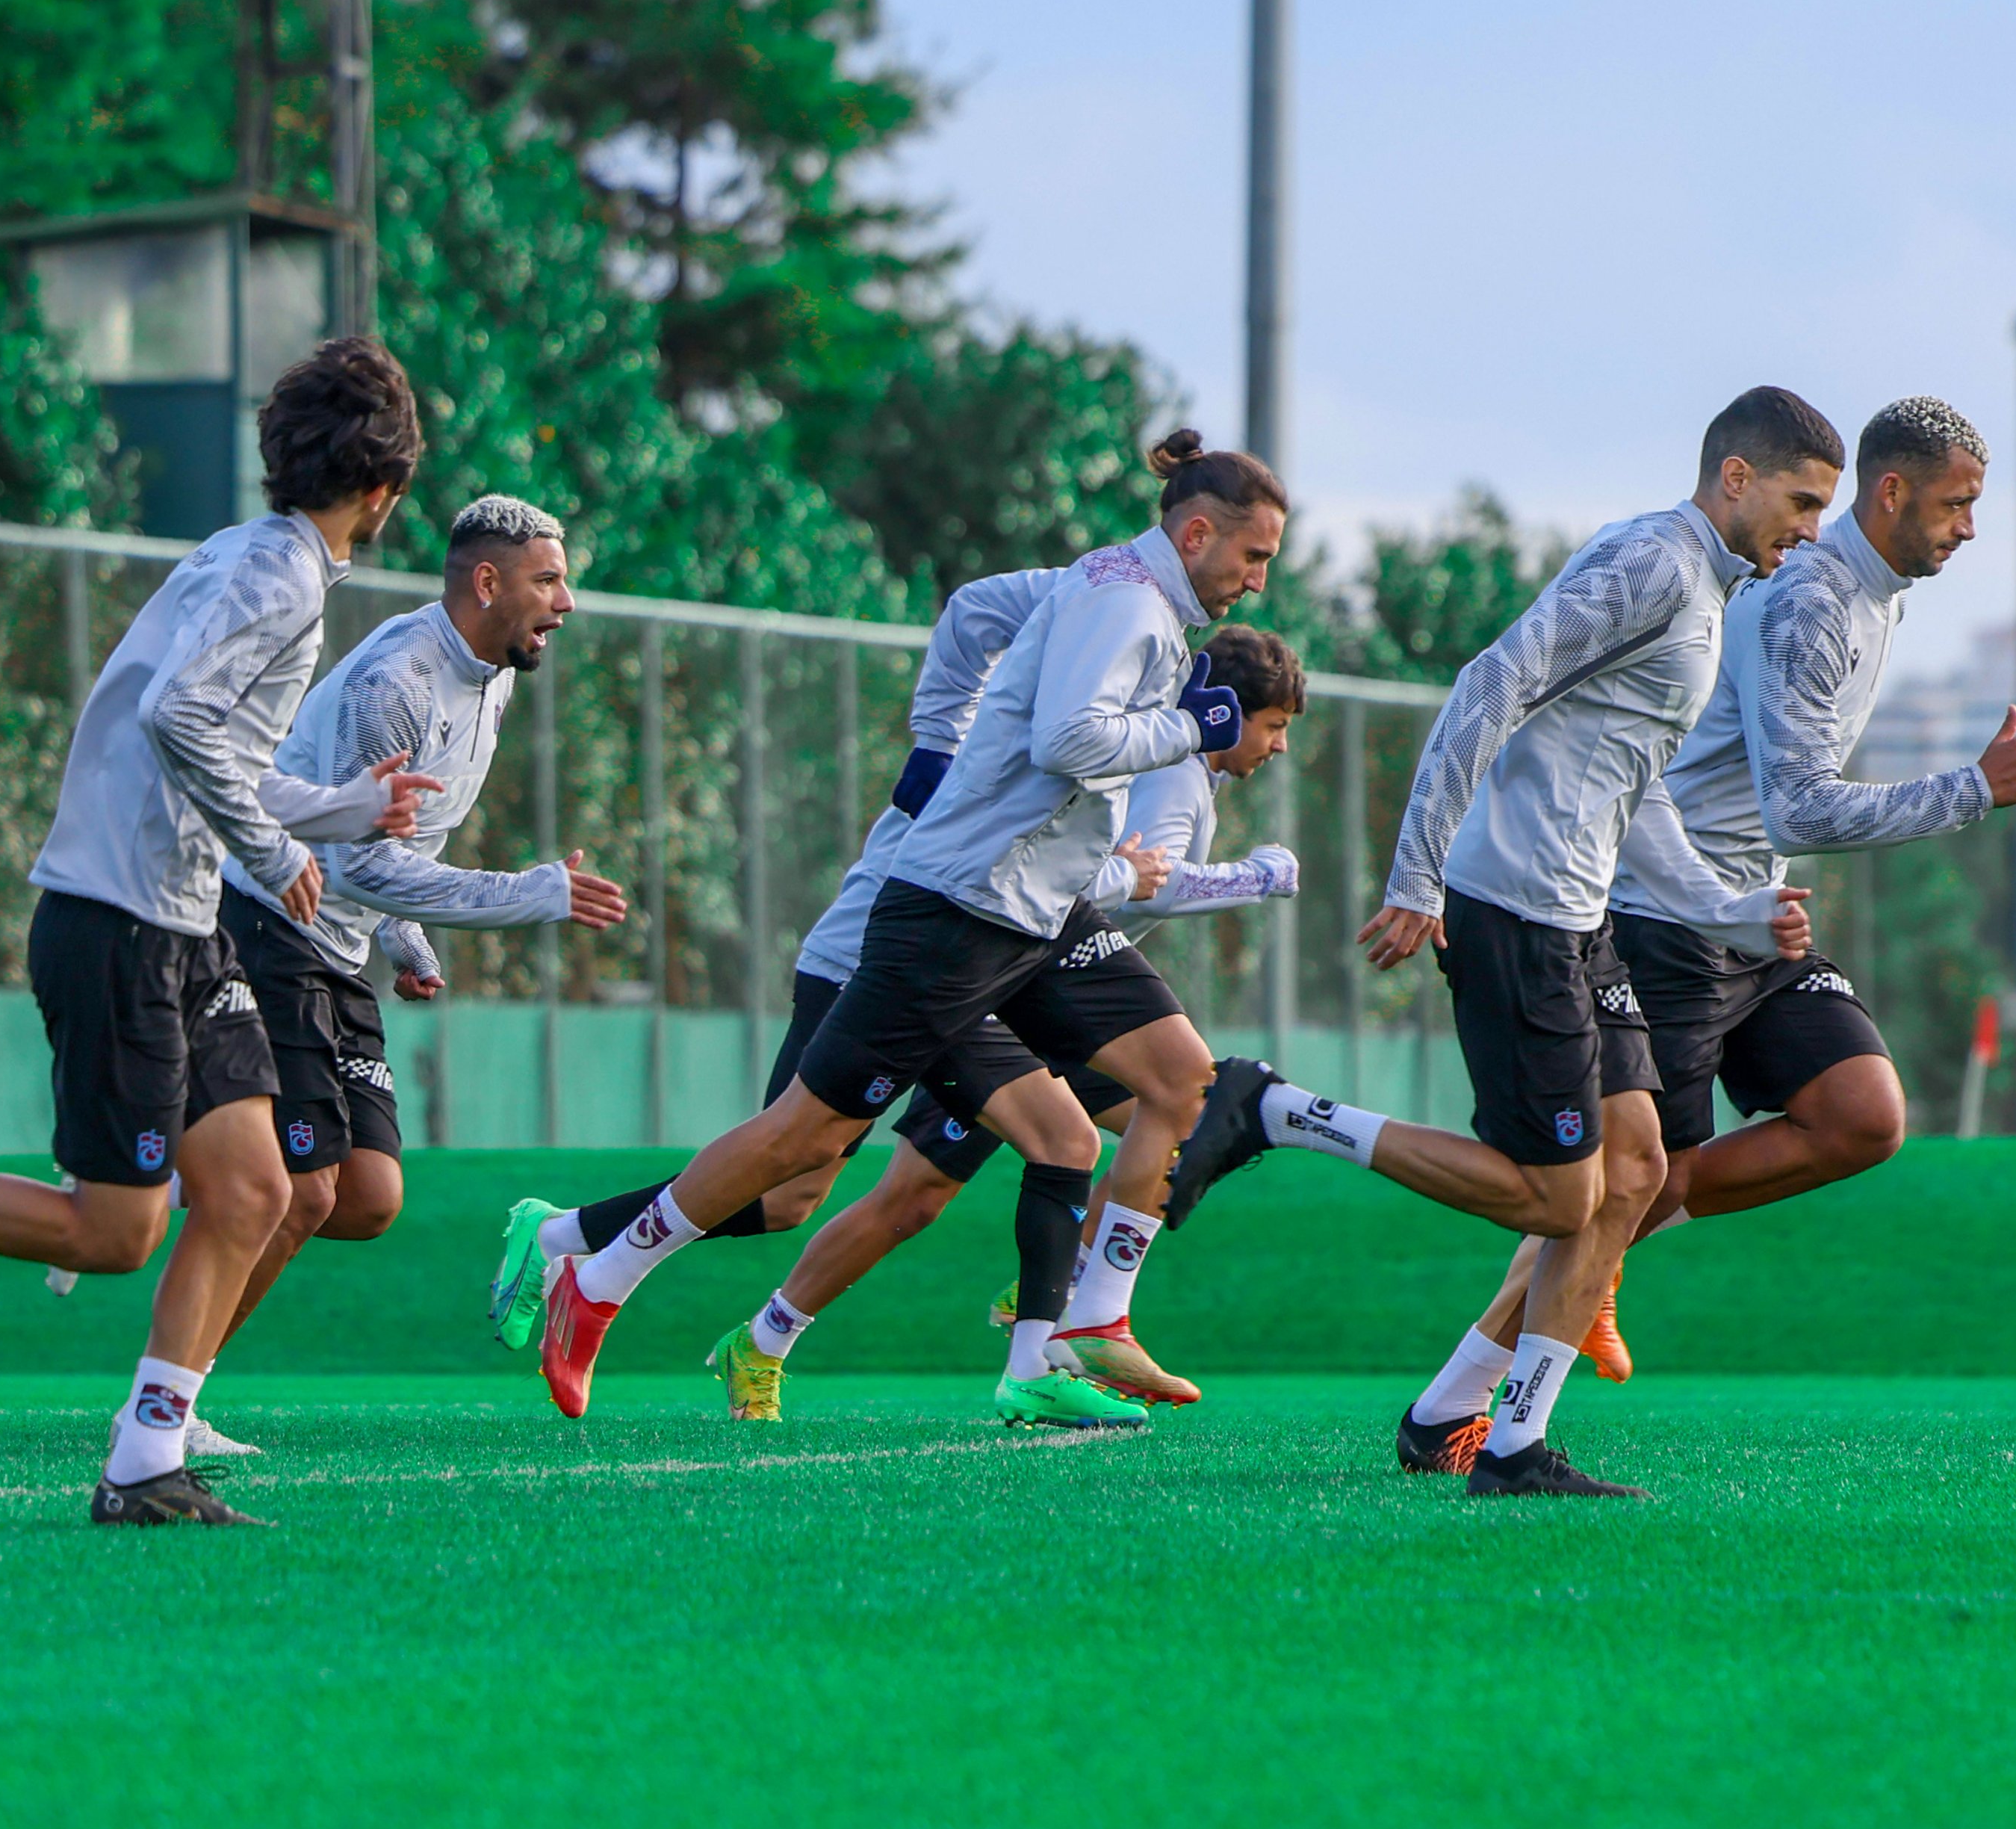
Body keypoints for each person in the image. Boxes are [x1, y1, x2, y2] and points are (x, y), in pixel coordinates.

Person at [0, 339, 434, 1530]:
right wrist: (278, 853)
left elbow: (220, 760)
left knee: (258, 1189)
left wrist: (342, 810)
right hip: (120, 926)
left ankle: (147, 1459)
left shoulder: (244, 555)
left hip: (181, 923)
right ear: (386, 491)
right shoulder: (285, 582)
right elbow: (176, 720)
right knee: (114, 1234)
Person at [1167, 386, 1845, 1500]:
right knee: (1553, 1198)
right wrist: (1419, 872)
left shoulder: (1707, 595)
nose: (1811, 529)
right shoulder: (1656, 568)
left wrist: (1731, 910)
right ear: (1736, 478)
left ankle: (1493, 1435)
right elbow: (1495, 679)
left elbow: (1634, 787)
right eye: (1802, 501)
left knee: (1636, 1174)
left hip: (1585, 922)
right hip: (1513, 908)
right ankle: (1277, 1110)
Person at [533, 429, 1287, 1420]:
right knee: (803, 1142)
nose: (1259, 582)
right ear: (1196, 534)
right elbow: (1068, 739)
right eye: (1254, 557)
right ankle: (597, 1277)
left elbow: (979, 615)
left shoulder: (1126, 591)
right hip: (959, 908)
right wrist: (1193, 726)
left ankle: (1078, 1332)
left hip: (1037, 910)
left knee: (1171, 1085)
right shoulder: (1125, 604)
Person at [1399, 394, 2016, 1461]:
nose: (1969, 529)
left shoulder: (1871, 593)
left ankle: (1606, 1254)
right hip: (1669, 916)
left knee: (1860, 1114)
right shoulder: (1809, 598)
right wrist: (1972, 792)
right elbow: (1797, 806)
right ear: (1889, 492)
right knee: (1622, 1187)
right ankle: (1454, 1407)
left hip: (1749, 917)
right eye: (1956, 505)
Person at [703, 622, 1305, 1420]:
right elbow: (1141, 884)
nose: (1279, 747)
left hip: (1043, 996)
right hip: (1015, 994)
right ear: (1227, 708)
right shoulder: (1171, 771)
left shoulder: (1190, 777)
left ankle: (1054, 1297)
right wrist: (1256, 876)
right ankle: (732, 1316)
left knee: (1185, 1118)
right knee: (884, 1194)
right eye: (1275, 727)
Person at [196, 493, 627, 1452]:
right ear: (488, 582)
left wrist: (405, 940)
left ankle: (189, 1178)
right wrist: (536, 894)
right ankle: (171, 1397)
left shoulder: (495, 677)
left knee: (369, 1198)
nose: (566, 600)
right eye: (549, 579)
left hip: (340, 942)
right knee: (302, 1192)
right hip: (270, 920)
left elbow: (402, 838)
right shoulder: (395, 678)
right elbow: (356, 854)